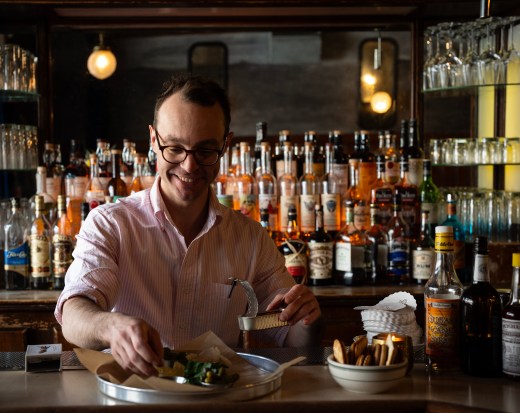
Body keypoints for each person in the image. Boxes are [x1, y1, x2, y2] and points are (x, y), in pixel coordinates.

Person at [55, 73, 321, 377]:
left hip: (217, 400)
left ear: (226, 144)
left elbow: (290, 339)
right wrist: (111, 326)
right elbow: (74, 313)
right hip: (133, 398)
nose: (189, 165)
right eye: (175, 148)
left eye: (205, 151)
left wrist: (305, 318)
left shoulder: (251, 238)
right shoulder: (110, 224)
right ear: (154, 140)